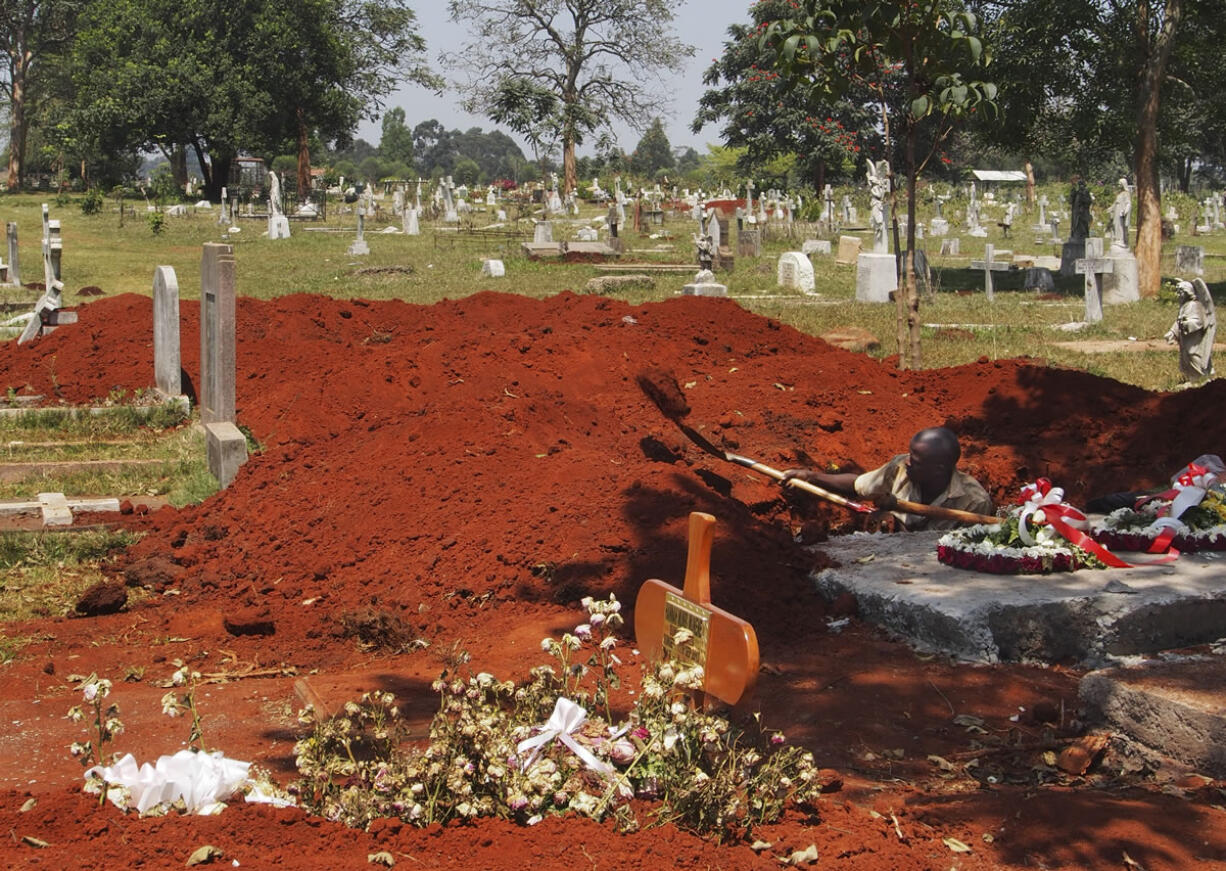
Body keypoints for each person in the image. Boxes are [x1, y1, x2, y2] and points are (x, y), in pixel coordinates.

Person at [782, 427, 993, 531]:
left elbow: (966, 554)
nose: (908, 462)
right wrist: (811, 477)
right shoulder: (900, 467)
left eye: (916, 460)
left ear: (939, 469)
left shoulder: (974, 502)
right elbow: (858, 485)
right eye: (910, 455)